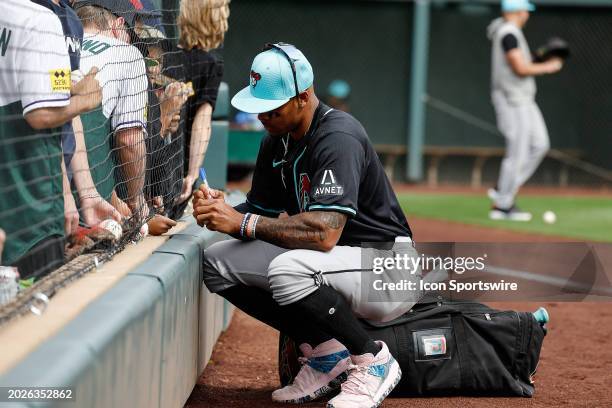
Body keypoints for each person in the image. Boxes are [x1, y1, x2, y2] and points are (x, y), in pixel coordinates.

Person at [193, 44, 422, 408]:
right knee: (217, 262)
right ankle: (325, 353)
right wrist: (218, 211)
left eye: (273, 106)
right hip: (338, 264)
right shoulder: (276, 141)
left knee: (288, 268)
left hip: (386, 269)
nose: (263, 115)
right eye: (260, 106)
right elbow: (257, 211)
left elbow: (324, 233)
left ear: (303, 97)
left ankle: (372, 360)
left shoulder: (338, 136)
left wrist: (243, 221)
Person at [0, 0, 101, 279]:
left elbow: (53, 87)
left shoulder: (63, 17)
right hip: (32, 209)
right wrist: (85, 100)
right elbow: (41, 114)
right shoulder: (40, 19)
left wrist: (67, 88)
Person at [74, 0, 151, 224]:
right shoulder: (126, 53)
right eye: (130, 33)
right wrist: (136, 200)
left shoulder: (53, 40)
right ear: (118, 25)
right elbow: (129, 140)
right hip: (90, 196)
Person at [487, 0, 563, 221]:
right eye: (524, 11)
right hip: (512, 99)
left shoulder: (510, 32)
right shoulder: (508, 33)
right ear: (518, 12)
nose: (526, 15)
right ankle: (502, 206)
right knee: (517, 152)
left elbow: (521, 62)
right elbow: (519, 68)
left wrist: (540, 57)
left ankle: (504, 187)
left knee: (540, 144)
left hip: (525, 98)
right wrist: (548, 66)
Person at [173, 0, 228, 205]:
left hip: (151, 159)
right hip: (178, 165)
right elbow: (202, 120)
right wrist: (192, 174)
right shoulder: (211, 63)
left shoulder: (166, 53)